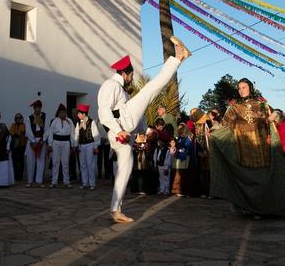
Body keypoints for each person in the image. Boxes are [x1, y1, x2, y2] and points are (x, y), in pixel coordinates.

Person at [97, 36, 191, 224]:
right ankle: (178, 57)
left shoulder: (121, 91)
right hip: (121, 128)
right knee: (150, 89)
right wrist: (118, 130)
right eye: (131, 75)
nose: (132, 78)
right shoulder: (111, 84)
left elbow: (137, 120)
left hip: (124, 131)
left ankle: (115, 210)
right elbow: (104, 112)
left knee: (124, 171)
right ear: (125, 73)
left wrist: (148, 132)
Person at [208, 78, 285, 217]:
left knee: (264, 178)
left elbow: (276, 115)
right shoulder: (234, 107)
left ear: (250, 87)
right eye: (239, 88)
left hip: (262, 147)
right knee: (246, 177)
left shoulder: (261, 103)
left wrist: (276, 114)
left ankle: (269, 208)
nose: (241, 90)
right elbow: (226, 126)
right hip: (242, 148)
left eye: (244, 87)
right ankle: (248, 208)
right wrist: (214, 134)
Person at [74, 104, 102, 190]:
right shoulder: (79, 123)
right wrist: (76, 145)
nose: (78, 115)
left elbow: (96, 135)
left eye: (79, 113)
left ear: (84, 114)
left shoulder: (92, 122)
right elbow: (76, 135)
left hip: (90, 145)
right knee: (82, 165)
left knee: (90, 164)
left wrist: (96, 146)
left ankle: (92, 184)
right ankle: (85, 183)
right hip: (81, 145)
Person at [46, 104, 75, 188]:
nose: (62, 114)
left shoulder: (69, 121)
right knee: (55, 162)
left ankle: (66, 181)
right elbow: (51, 133)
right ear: (58, 113)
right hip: (56, 142)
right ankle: (54, 181)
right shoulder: (54, 121)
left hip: (66, 142)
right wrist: (50, 144)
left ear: (65, 113)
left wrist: (73, 144)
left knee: (65, 163)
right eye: (60, 112)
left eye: (64, 112)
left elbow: (72, 133)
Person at [25, 100, 48, 187]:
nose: (38, 109)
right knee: (30, 161)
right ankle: (30, 181)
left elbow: (46, 129)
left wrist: (43, 139)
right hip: (32, 141)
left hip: (41, 141)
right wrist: (33, 141)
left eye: (39, 107)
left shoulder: (44, 117)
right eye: (37, 107)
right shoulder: (29, 118)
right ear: (34, 108)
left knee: (41, 161)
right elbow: (28, 131)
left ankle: (39, 181)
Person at [9, 112, 27, 181]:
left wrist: (16, 133)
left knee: (21, 160)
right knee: (14, 160)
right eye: (17, 118)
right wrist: (16, 133)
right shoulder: (13, 125)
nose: (18, 119)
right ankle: (15, 175)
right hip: (14, 146)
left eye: (20, 117)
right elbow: (11, 132)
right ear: (15, 118)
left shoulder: (23, 125)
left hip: (21, 145)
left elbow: (22, 131)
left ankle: (20, 175)